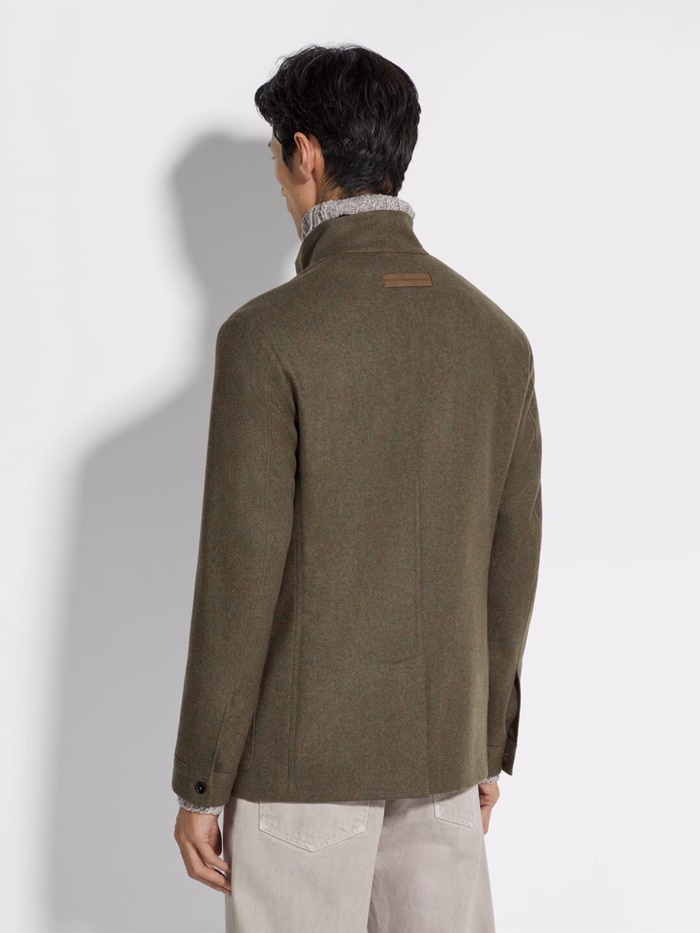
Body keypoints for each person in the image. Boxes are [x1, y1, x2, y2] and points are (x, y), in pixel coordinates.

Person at [172, 43, 543, 933]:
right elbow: (512, 561)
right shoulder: (496, 339)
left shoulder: (267, 337)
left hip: (299, 777)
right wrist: (486, 742)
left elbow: (240, 578)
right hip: (446, 764)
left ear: (306, 154)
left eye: (276, 158)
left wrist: (201, 782)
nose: (279, 181)